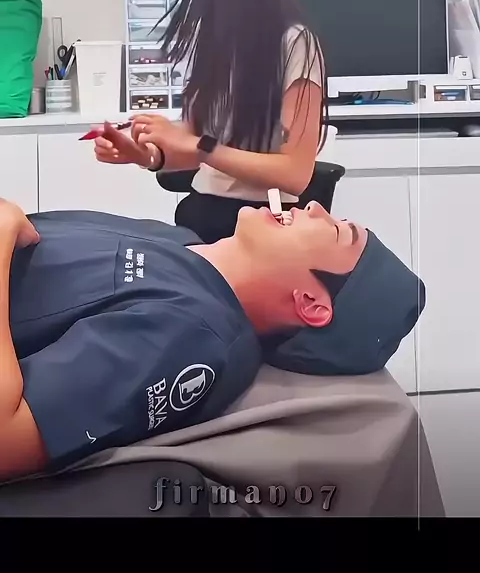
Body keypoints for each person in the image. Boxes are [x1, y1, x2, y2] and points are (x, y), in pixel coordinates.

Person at [0, 196, 425, 484]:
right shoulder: (180, 242)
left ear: (312, 303)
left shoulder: (190, 336)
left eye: (336, 231)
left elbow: (6, 439)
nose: (315, 207)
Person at [95, 0, 328, 243]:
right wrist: (146, 154)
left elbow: (295, 174)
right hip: (202, 211)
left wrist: (199, 146)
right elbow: (193, 143)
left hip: (264, 222)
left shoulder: (295, 44)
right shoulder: (212, 44)